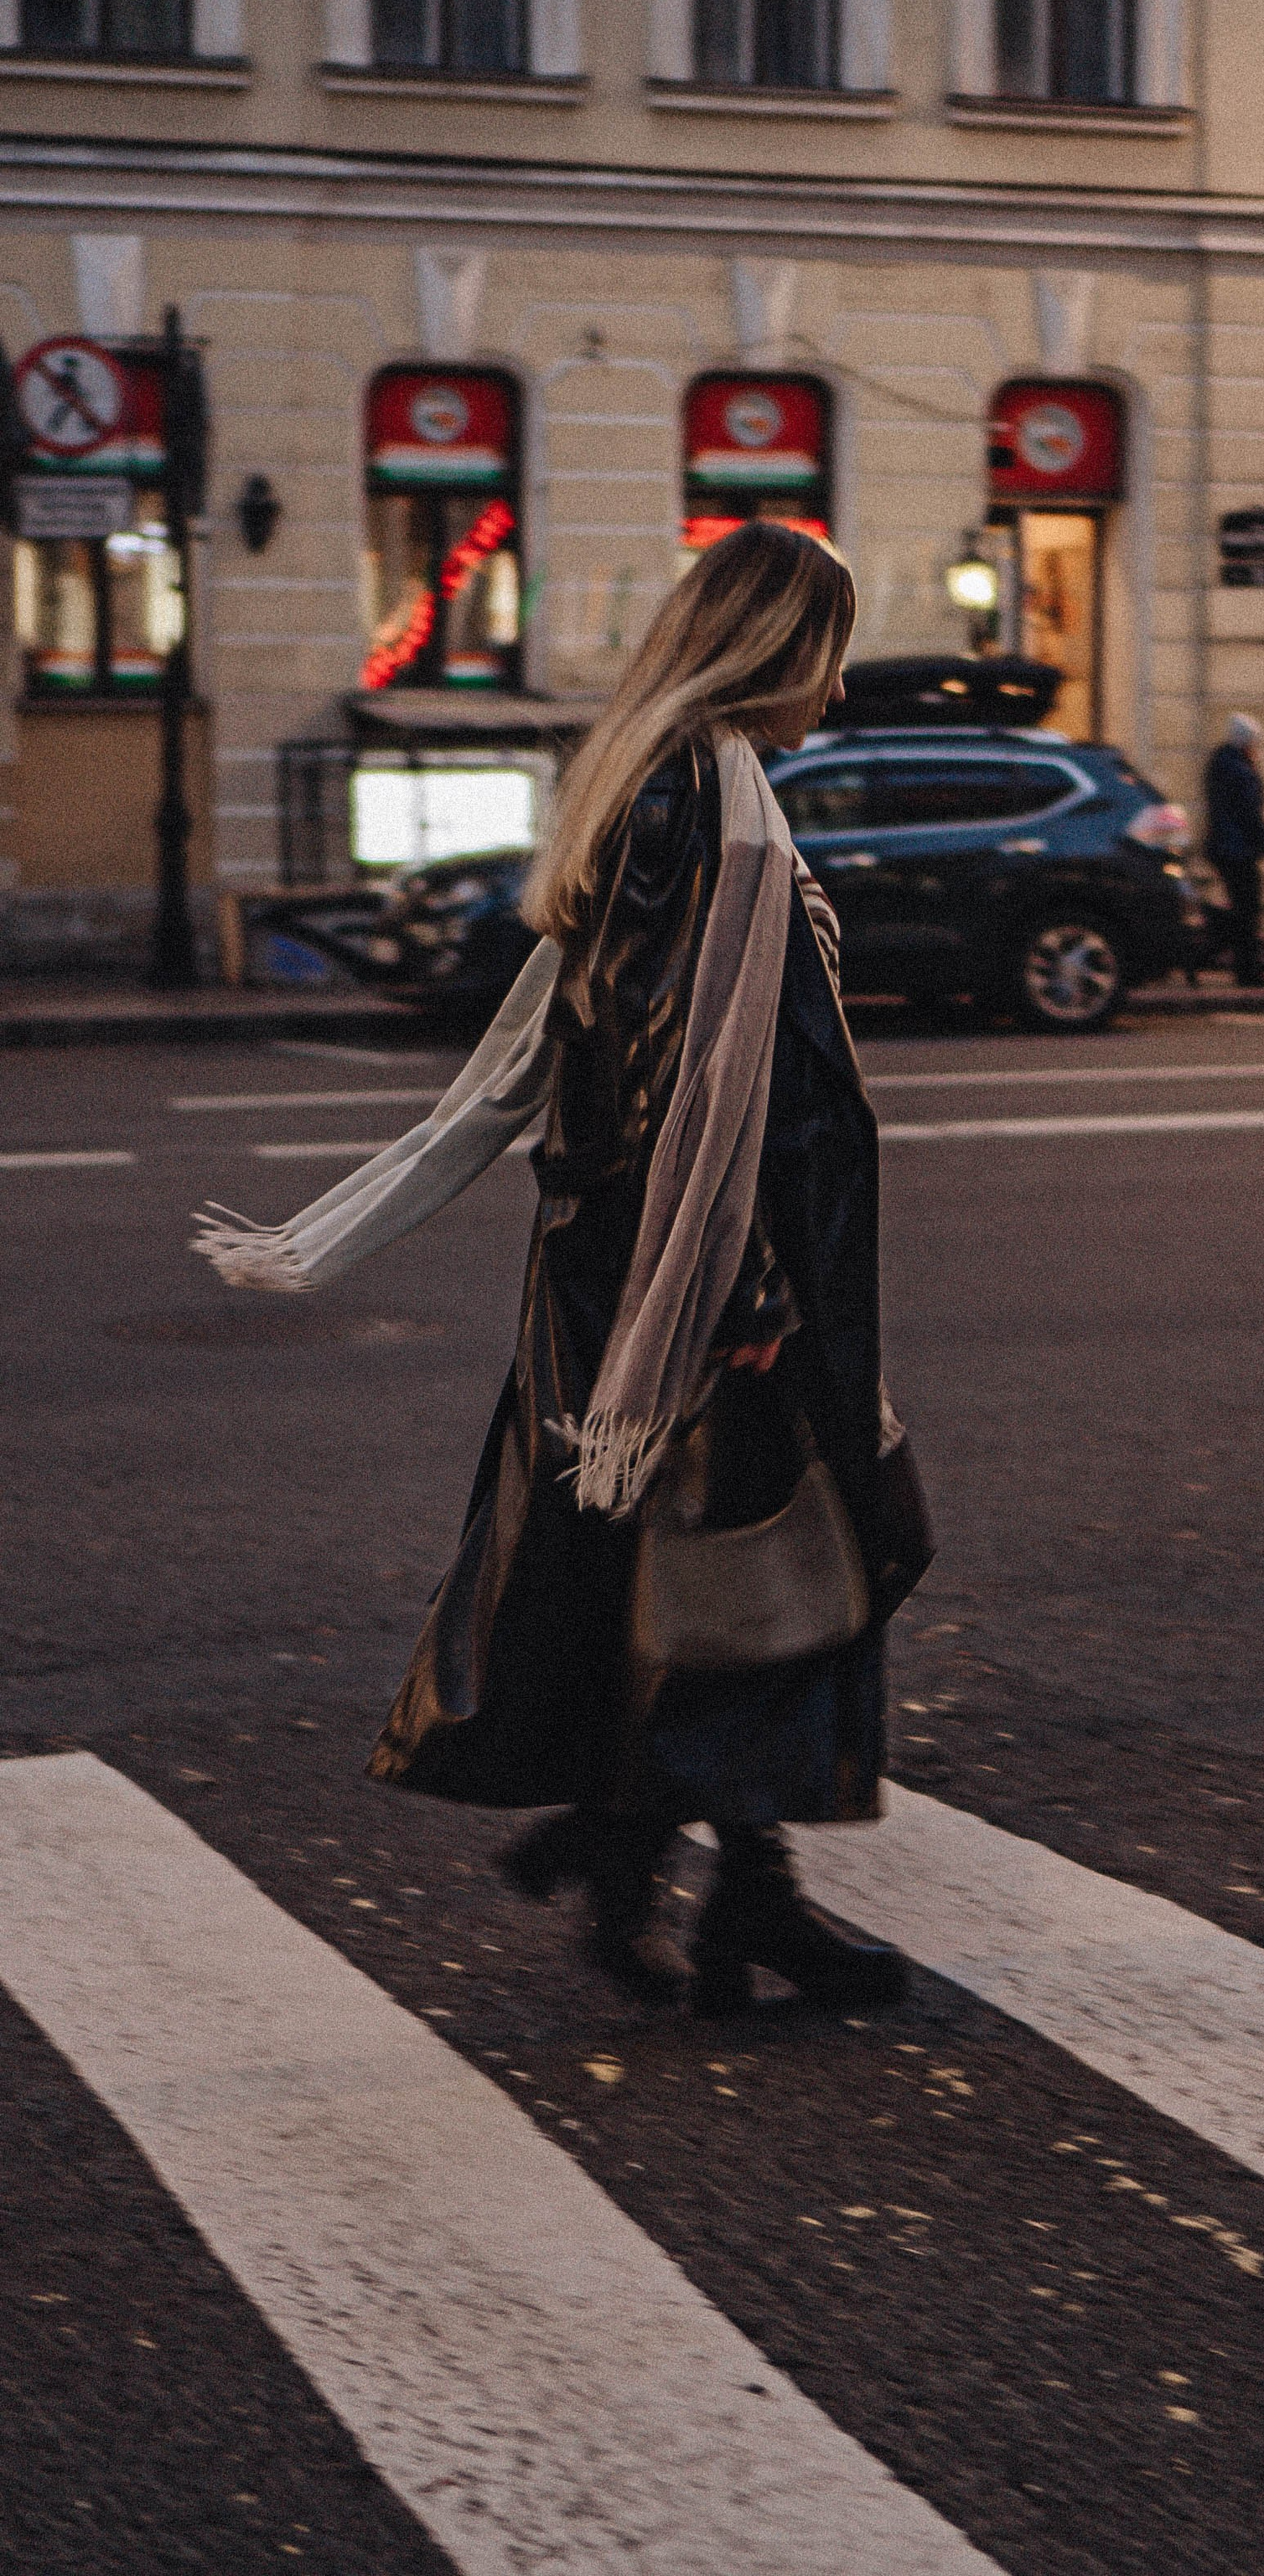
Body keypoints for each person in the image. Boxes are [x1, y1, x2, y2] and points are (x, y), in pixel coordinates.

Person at [195, 525, 929, 2014]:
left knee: (702, 1583)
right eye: (827, 651)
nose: (838, 686)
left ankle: (674, 1866)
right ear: (775, 651)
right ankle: (688, 1874)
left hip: (655, 1266)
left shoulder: (671, 792)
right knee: (797, 1571)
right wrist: (744, 1306)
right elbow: (684, 1086)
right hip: (703, 1276)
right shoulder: (698, 815)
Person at [1203, 712, 1264, 989]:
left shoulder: (1218, 763)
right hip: (1239, 850)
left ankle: (1216, 949)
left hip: (1222, 847)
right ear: (1247, 743)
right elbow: (1250, 816)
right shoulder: (1241, 771)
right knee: (1248, 911)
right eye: (1255, 743)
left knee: (1241, 909)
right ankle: (1244, 969)